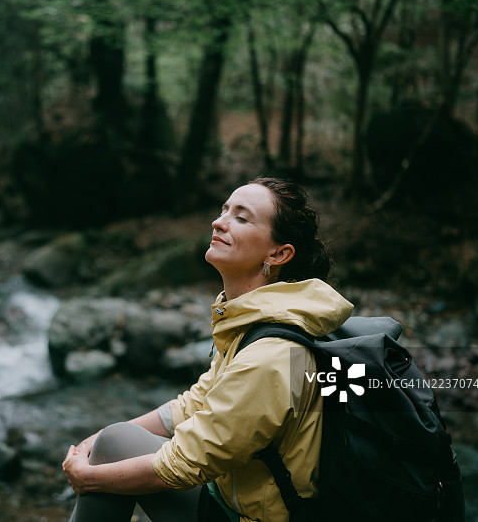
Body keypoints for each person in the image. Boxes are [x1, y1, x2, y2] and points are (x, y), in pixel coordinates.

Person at [62, 177, 354, 522]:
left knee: (116, 443)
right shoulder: (253, 323)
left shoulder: (273, 353)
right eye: (223, 210)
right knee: (112, 439)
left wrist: (90, 478)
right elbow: (197, 403)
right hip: (232, 499)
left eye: (241, 218)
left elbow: (185, 463)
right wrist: (94, 439)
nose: (219, 222)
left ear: (278, 254)